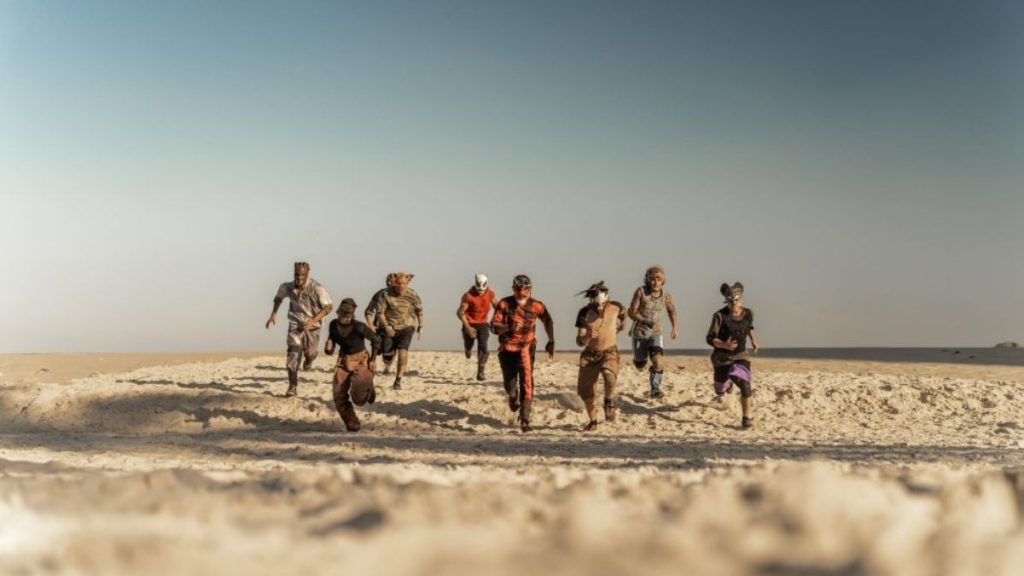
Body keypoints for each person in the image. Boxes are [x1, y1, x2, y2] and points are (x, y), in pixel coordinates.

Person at [490, 274, 555, 432]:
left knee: (527, 380)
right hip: (507, 348)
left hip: (527, 347)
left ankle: (525, 419)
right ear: (513, 289)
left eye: (525, 289)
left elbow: (548, 320)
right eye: (518, 289)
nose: (521, 292)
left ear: (530, 289)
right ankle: (513, 398)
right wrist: (508, 327)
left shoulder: (537, 306)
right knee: (510, 385)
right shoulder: (504, 304)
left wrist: (551, 340)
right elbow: (493, 327)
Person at [266, 261, 333, 397]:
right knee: (293, 354)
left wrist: (313, 320)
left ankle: (309, 359)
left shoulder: (316, 288)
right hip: (295, 325)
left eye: (302, 275)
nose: (299, 278)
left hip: (313, 327)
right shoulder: (287, 287)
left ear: (307, 274)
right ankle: (292, 386)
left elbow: (329, 307)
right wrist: (273, 313)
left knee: (310, 353)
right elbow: (278, 298)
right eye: (297, 275)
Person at [574, 281, 627, 431]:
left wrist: (622, 324)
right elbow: (579, 341)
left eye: (601, 301)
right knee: (587, 392)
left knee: (609, 376)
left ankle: (608, 401)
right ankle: (593, 421)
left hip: (609, 351)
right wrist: (587, 336)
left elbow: (624, 313)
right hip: (590, 355)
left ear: (606, 297)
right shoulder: (584, 313)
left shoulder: (615, 307)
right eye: (594, 301)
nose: (598, 305)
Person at [706, 282, 760, 429]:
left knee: (745, 385)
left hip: (741, 356)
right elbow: (710, 338)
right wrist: (725, 345)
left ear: (741, 299)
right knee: (720, 389)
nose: (734, 303)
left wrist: (753, 340)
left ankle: (747, 418)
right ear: (726, 300)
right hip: (721, 359)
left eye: (736, 299)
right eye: (730, 300)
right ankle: (726, 384)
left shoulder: (748, 313)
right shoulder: (719, 316)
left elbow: (749, 327)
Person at [324, 298, 382, 432]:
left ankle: (368, 388)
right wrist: (328, 348)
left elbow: (376, 339)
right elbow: (330, 347)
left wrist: (372, 359)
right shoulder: (333, 325)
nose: (346, 319)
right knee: (338, 393)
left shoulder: (359, 327)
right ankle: (351, 422)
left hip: (361, 360)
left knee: (359, 399)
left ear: (352, 316)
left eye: (349, 316)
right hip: (343, 360)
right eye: (343, 315)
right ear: (338, 313)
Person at [365, 272, 423, 390]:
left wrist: (420, 326)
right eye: (390, 282)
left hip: (406, 326)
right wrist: (372, 325)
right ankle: (386, 364)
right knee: (386, 352)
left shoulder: (411, 294)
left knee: (402, 351)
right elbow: (370, 311)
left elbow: (419, 310)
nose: (397, 285)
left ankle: (397, 381)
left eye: (402, 283)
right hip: (385, 326)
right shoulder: (382, 294)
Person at [627, 265, 678, 399]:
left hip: (656, 333)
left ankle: (655, 388)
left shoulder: (666, 296)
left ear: (663, 281)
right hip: (639, 333)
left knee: (658, 361)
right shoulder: (641, 292)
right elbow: (632, 312)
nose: (656, 282)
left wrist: (674, 328)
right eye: (653, 279)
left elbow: (671, 310)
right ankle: (639, 361)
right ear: (648, 280)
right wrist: (646, 321)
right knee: (640, 363)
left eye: (659, 279)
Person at [457, 273, 497, 381]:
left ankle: (480, 372)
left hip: (483, 323)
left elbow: (497, 307)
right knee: (469, 342)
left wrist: (495, 320)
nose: (481, 292)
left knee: (483, 346)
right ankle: (468, 348)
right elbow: (460, 313)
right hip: (469, 323)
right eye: (479, 290)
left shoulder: (490, 293)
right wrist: (468, 328)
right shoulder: (468, 296)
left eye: (482, 291)